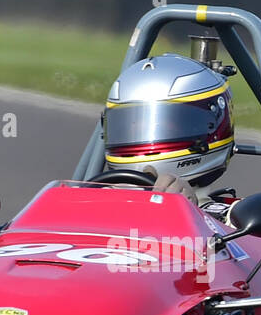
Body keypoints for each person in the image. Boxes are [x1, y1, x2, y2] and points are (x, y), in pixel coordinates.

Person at [100, 53, 236, 207]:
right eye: (132, 124)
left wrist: (190, 212)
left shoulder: (229, 220)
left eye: (163, 125)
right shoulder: (93, 200)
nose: (143, 133)